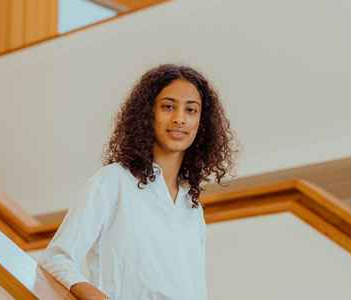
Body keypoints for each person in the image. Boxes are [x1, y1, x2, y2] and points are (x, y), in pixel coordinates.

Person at [38, 64, 236, 300]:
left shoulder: (191, 207)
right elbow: (56, 258)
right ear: (147, 113)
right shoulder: (113, 181)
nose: (180, 119)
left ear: (201, 124)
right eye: (168, 107)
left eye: (191, 110)